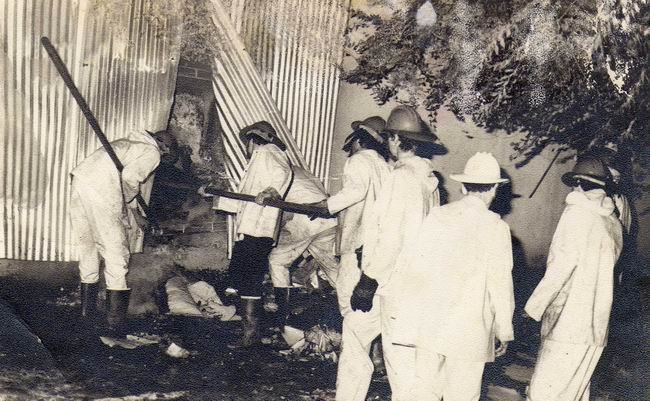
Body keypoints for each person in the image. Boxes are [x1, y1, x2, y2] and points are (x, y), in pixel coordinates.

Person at [336, 105, 443, 401]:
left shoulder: (402, 178)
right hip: (409, 281)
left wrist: (367, 281)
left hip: (391, 285)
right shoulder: (428, 181)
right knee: (354, 329)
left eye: (389, 138)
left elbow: (391, 238)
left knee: (401, 365)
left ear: (395, 140)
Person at [392, 152, 514, 401]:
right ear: (494, 190)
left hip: (432, 320)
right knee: (463, 394)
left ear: (462, 187)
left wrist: (408, 318)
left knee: (423, 391)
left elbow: (414, 267)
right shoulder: (496, 228)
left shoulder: (438, 216)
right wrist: (504, 329)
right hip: (471, 327)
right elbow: (501, 284)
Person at [524, 155, 623, 401]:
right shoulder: (613, 223)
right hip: (596, 329)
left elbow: (562, 266)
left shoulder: (577, 214)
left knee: (542, 394)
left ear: (578, 184)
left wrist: (533, 307)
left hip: (568, 325)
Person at [70, 129, 172, 335]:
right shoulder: (152, 152)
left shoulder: (129, 143)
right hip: (102, 189)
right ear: (165, 147)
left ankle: (86, 317)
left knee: (89, 247)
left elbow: (124, 180)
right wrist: (122, 209)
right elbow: (130, 179)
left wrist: (135, 214)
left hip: (81, 182)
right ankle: (115, 323)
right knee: (117, 252)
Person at [208, 121, 293, 347]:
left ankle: (251, 335)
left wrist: (270, 192)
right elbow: (242, 200)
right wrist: (213, 194)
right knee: (245, 278)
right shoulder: (257, 160)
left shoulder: (268, 151)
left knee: (250, 279)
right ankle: (250, 332)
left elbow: (282, 173)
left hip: (258, 228)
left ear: (253, 140)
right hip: (251, 228)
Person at [314, 116, 391, 317]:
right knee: (369, 299)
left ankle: (351, 334)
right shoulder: (384, 165)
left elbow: (356, 191)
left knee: (347, 293)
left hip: (357, 239)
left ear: (358, 140)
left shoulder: (358, 160)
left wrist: (326, 205)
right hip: (375, 240)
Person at [268, 165, 338, 329]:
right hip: (327, 218)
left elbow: (284, 214)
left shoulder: (275, 172)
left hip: (306, 218)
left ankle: (283, 318)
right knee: (333, 269)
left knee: (277, 261)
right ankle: (355, 314)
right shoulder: (300, 170)